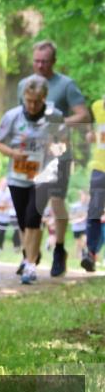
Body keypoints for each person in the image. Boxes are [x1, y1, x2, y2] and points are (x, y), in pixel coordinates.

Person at [16, 40, 89, 276]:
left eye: (45, 62)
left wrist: (57, 123)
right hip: (31, 155)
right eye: (36, 61)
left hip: (58, 153)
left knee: (56, 201)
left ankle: (59, 249)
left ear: (54, 61)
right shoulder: (24, 85)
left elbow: (83, 115)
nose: (40, 65)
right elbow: (19, 116)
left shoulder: (66, 85)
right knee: (28, 206)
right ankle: (29, 255)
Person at [0, 75, 65, 284]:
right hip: (18, 176)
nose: (32, 106)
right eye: (29, 101)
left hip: (43, 176)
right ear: (24, 97)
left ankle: (30, 265)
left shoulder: (55, 116)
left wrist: (54, 148)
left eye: (37, 101)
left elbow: (63, 145)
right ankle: (30, 256)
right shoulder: (12, 116)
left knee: (34, 217)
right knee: (24, 221)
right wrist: (13, 153)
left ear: (44, 98)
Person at [83, 95, 105, 271]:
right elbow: (91, 132)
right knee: (94, 210)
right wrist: (90, 135)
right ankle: (90, 254)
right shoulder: (97, 106)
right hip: (99, 168)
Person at [70, 190, 89, 263]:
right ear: (80, 197)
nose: (84, 198)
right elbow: (70, 216)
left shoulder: (88, 206)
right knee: (78, 243)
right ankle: (78, 256)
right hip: (76, 227)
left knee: (85, 240)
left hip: (85, 227)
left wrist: (85, 216)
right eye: (83, 196)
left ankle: (83, 254)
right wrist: (78, 217)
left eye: (86, 196)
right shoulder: (75, 206)